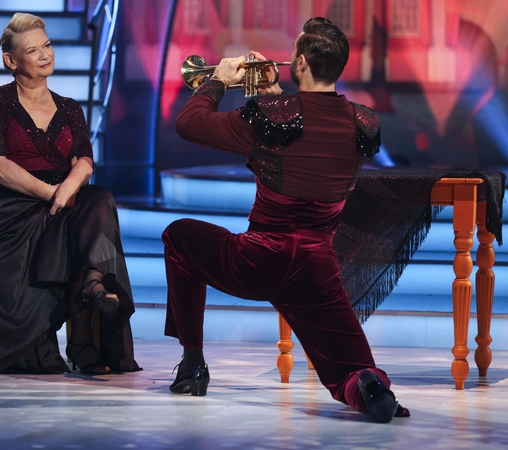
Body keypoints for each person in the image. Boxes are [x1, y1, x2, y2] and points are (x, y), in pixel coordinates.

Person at [164, 17, 409, 423]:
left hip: (257, 260)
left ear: (300, 64)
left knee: (179, 236)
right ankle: (370, 388)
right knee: (348, 368)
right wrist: (275, 97)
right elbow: (310, 132)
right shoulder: (364, 123)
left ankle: (192, 365)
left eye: (294, 53)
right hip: (316, 269)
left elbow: (188, 124)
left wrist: (219, 80)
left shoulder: (269, 116)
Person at [0, 13, 140, 375]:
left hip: (67, 203)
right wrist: (51, 193)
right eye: (33, 50)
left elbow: (85, 162)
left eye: (47, 45)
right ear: (11, 61)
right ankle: (84, 335)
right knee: (85, 216)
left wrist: (65, 191)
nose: (46, 54)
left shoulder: (69, 107)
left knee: (97, 198)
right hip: (15, 210)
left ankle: (92, 287)